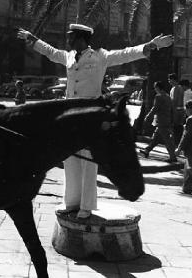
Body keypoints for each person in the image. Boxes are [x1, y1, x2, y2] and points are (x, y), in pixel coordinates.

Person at [17, 24, 173, 219]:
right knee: (71, 159)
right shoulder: (69, 56)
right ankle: (71, 202)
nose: (68, 40)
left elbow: (125, 54)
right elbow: (51, 52)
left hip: (91, 115)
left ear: (80, 38)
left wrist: (151, 45)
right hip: (70, 115)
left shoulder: (100, 56)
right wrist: (33, 40)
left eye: (70, 36)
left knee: (89, 162)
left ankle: (86, 205)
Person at [141, 81, 177, 163]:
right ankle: (147, 150)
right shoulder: (168, 96)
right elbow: (172, 109)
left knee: (167, 140)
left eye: (155, 88)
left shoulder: (159, 97)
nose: (154, 89)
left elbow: (155, 108)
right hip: (167, 120)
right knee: (156, 137)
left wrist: (148, 116)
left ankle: (173, 157)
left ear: (158, 88)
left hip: (161, 121)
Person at [168, 73, 185, 145]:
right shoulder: (176, 88)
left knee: (176, 127)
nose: (169, 81)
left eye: (169, 80)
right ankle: (176, 142)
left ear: (173, 80)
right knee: (177, 127)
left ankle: (176, 143)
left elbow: (174, 101)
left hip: (177, 110)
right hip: (178, 110)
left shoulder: (176, 88)